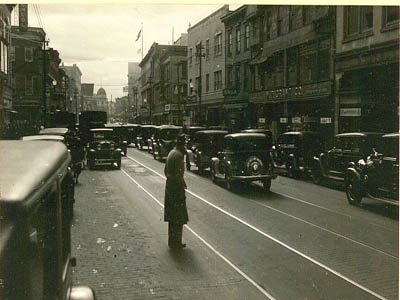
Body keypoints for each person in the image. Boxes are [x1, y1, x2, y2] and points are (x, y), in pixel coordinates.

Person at [164, 134, 188, 249]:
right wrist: (181, 186)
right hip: (176, 189)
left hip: (169, 187)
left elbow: (165, 170)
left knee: (172, 216)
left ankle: (171, 241)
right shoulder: (179, 156)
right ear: (182, 144)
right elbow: (179, 175)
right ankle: (176, 242)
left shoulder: (171, 152)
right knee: (178, 216)